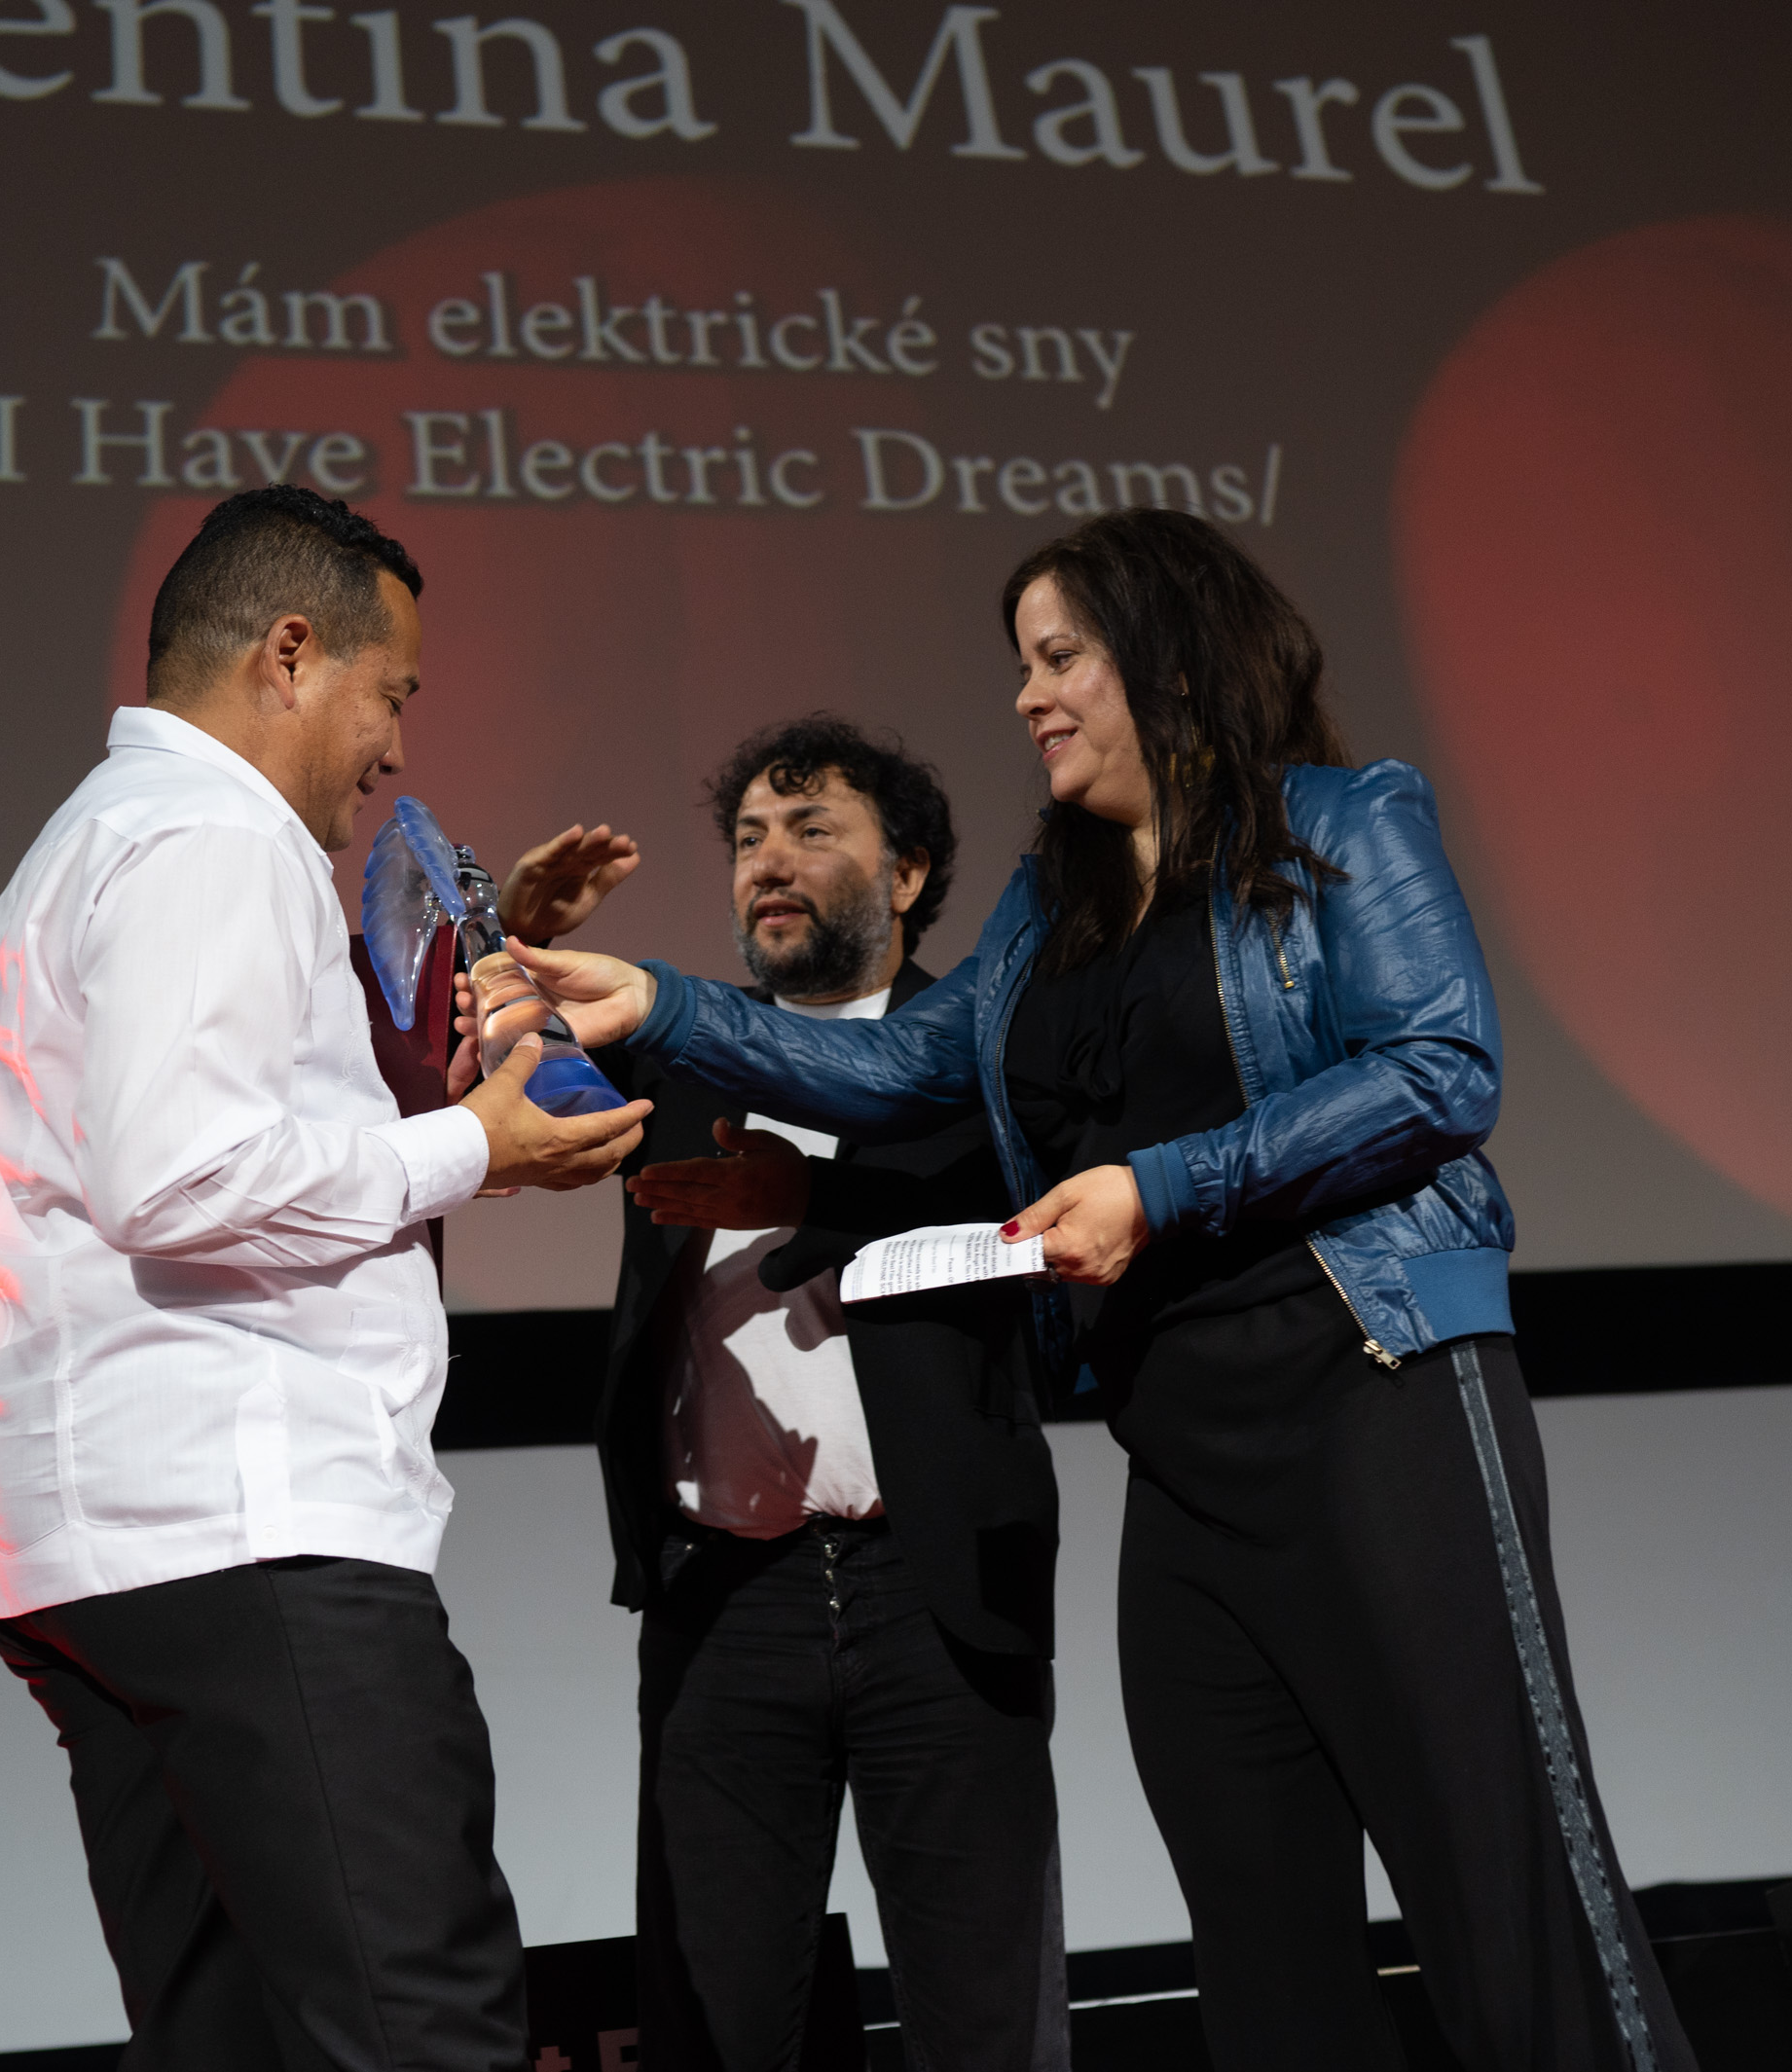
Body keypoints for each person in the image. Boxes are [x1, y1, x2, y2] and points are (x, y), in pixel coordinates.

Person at [503, 509, 1699, 2072]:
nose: (1027, 696)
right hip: (1180, 1444)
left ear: (1168, 653)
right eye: (1025, 664)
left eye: (1059, 656)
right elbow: (896, 1066)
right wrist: (660, 1000)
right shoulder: (1045, 908)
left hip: (1377, 1381)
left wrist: (1165, 1185)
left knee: (1504, 1880)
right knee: (1260, 1930)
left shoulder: (1344, 821)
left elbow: (1440, 1069)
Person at [0, 485, 650, 2072]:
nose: (395, 749)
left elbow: (200, 1146)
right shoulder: (217, 836)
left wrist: (448, 1107)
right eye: (389, 693)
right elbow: (175, 1172)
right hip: (248, 1526)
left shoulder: (95, 836)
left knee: (231, 2043)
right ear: (287, 653)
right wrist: (474, 1143)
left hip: (110, 1544)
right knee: (424, 2034)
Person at [507, 717, 1067, 2072]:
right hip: (725, 1600)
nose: (770, 860)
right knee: (716, 2027)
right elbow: (505, 1085)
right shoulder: (677, 1046)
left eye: (813, 831)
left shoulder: (976, 1048)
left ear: (908, 874)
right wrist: (511, 947)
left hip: (935, 1588)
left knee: (985, 2024)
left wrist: (815, 1199)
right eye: (750, 837)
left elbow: (1017, 1237)